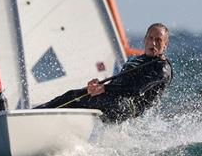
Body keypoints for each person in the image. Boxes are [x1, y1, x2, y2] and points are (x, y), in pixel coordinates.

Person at [35, 23, 173, 123]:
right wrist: (99, 84)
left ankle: (37, 117)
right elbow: (120, 83)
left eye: (158, 40)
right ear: (145, 39)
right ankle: (37, 114)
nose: (153, 43)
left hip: (126, 109)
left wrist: (104, 88)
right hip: (115, 100)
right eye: (150, 38)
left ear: (165, 45)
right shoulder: (137, 59)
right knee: (73, 95)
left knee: (78, 98)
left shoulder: (161, 69)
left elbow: (136, 89)